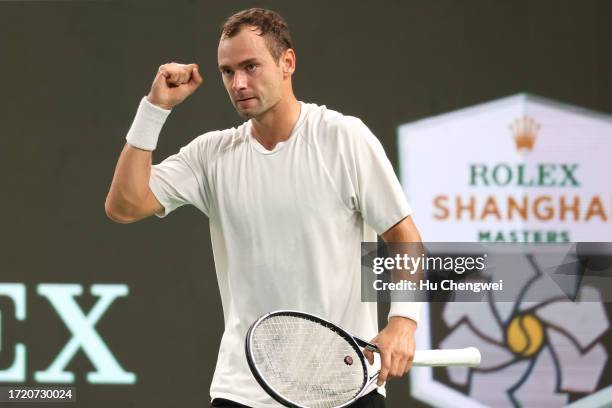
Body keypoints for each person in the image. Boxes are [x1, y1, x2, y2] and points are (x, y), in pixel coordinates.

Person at [105, 8, 422, 408]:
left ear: (287, 62)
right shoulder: (211, 154)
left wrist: (403, 323)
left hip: (344, 387)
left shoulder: (345, 138)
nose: (238, 83)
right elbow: (124, 205)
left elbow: (403, 235)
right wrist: (155, 108)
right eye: (227, 71)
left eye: (251, 66)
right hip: (243, 391)